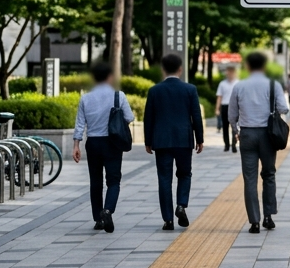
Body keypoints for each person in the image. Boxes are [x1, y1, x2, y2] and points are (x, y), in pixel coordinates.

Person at [143, 53, 205, 230]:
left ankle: (168, 220)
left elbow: (148, 118)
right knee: (185, 174)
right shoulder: (190, 89)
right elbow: (196, 116)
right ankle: (181, 205)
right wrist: (199, 139)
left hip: (161, 141)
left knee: (164, 179)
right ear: (180, 69)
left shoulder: (154, 91)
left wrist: (148, 140)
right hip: (184, 140)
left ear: (163, 69)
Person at [229, 51, 288, 234]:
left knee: (250, 179)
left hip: (247, 134)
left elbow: (232, 115)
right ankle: (268, 217)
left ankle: (254, 221)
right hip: (267, 135)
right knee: (269, 174)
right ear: (264, 66)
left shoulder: (239, 86)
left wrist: (236, 131)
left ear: (247, 66)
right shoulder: (273, 85)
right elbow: (284, 108)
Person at [73, 61, 133, 234]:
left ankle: (98, 219)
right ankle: (108, 210)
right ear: (110, 77)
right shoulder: (118, 96)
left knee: (96, 181)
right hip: (112, 143)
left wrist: (76, 145)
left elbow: (80, 125)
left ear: (94, 78)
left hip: (93, 143)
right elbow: (129, 117)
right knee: (113, 180)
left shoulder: (85, 98)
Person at [216, 66, 239, 153]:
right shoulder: (222, 84)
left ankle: (234, 145)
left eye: (230, 72)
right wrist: (217, 108)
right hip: (225, 106)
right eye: (227, 72)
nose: (229, 74)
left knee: (234, 126)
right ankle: (226, 145)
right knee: (225, 127)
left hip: (235, 106)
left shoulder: (238, 83)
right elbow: (219, 97)